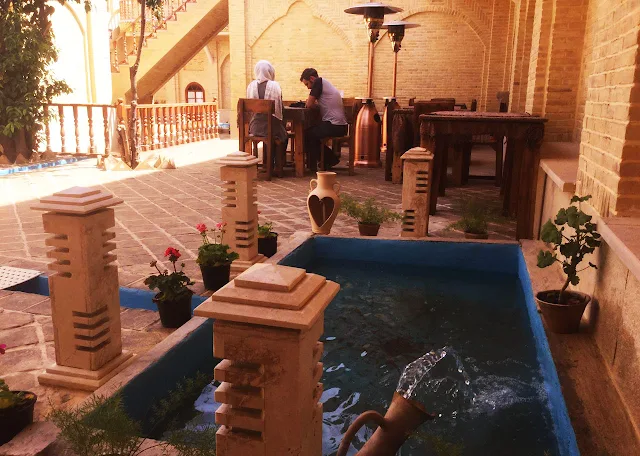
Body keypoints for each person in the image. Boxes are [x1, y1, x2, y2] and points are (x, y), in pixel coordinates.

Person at [300, 68, 348, 171]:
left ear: (312, 79)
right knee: (310, 133)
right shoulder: (324, 84)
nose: (308, 88)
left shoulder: (318, 82)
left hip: (335, 125)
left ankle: (328, 160)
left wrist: (310, 102)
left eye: (307, 84)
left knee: (305, 135)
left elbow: (309, 104)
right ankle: (325, 160)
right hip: (339, 125)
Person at [246, 60, 288, 166]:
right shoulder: (275, 86)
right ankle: (278, 164)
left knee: (272, 131)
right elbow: (280, 109)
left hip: (254, 127)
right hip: (272, 128)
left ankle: (267, 163)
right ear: (270, 71)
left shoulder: (250, 86)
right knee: (283, 135)